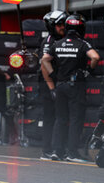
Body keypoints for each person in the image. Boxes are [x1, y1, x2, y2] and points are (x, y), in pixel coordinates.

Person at [41, 13, 100, 163]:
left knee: (60, 119)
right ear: (81, 28)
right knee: (75, 119)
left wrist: (53, 74)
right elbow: (95, 57)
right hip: (76, 86)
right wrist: (89, 70)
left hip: (60, 85)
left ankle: (56, 151)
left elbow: (45, 59)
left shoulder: (57, 43)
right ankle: (72, 153)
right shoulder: (82, 43)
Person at [39, 10, 68, 160]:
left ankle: (60, 148)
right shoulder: (49, 41)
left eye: (64, 23)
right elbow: (44, 66)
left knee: (61, 116)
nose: (63, 27)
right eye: (59, 25)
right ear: (52, 26)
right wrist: (52, 89)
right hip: (49, 85)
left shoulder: (65, 39)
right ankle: (47, 150)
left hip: (61, 83)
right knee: (50, 117)